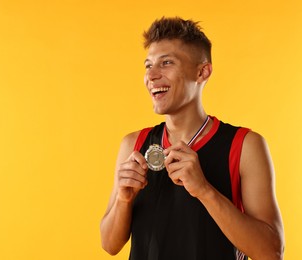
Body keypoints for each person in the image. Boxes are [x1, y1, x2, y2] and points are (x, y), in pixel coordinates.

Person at [100, 17, 284, 260]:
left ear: (202, 72)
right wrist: (124, 200)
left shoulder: (245, 145)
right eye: (148, 65)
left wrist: (204, 190)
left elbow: (271, 252)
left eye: (166, 63)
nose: (152, 76)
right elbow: (109, 244)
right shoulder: (133, 144)